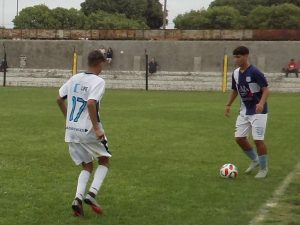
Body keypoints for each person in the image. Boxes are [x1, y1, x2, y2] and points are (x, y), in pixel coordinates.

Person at [56, 50, 111, 217]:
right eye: (103, 64)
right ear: (99, 63)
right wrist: (97, 128)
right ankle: (92, 195)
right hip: (88, 129)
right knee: (104, 159)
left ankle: (77, 199)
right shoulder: (98, 81)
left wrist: (68, 119)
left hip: (72, 130)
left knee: (87, 165)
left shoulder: (75, 78)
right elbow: (91, 103)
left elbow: (59, 98)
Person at [225, 46, 270, 179]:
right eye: (235, 57)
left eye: (239, 57)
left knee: (258, 140)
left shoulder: (255, 72)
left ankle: (263, 168)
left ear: (246, 56)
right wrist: (228, 104)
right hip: (244, 111)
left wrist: (261, 103)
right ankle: (255, 160)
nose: (236, 60)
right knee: (239, 138)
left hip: (258, 111)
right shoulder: (236, 73)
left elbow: (266, 89)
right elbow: (235, 90)